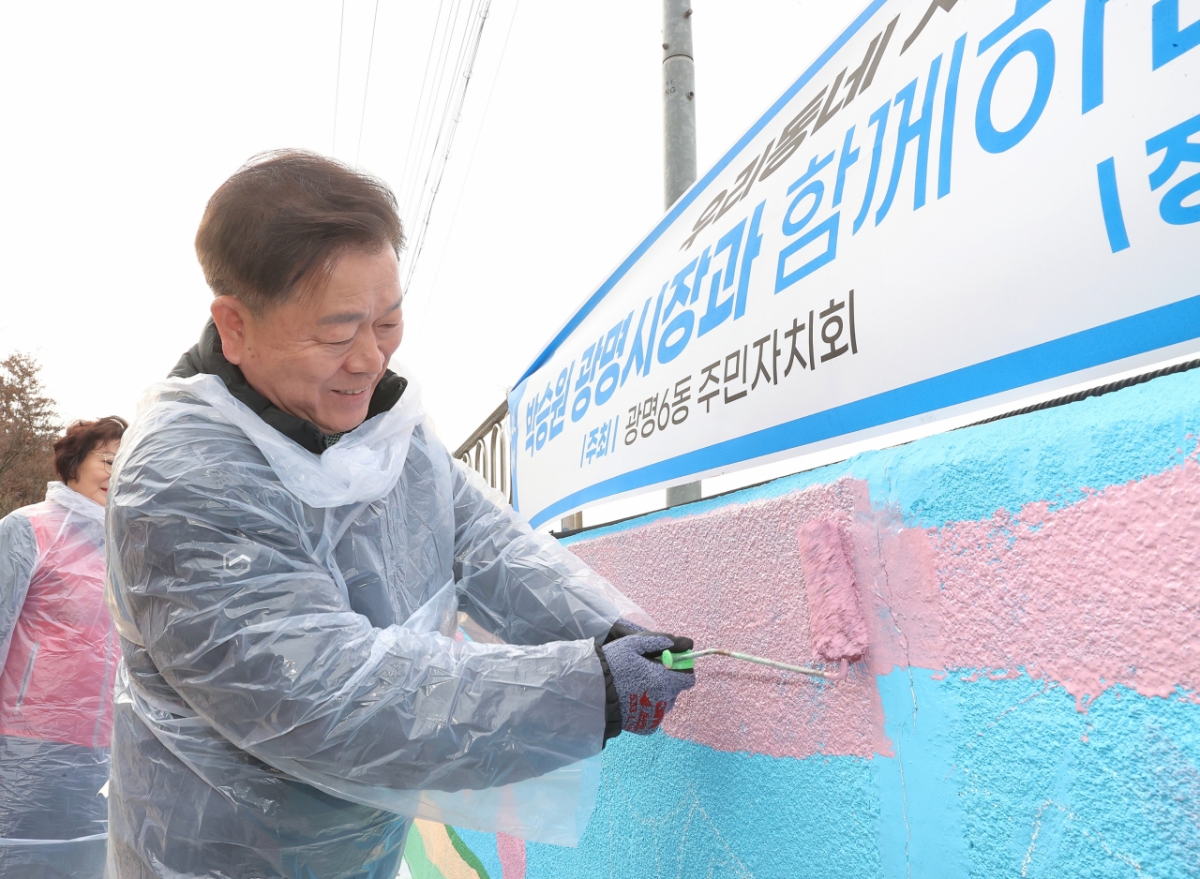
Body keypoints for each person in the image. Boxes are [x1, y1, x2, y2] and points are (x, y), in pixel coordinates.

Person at [104, 150, 696, 879]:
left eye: (388, 320)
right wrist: (584, 688)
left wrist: (607, 626)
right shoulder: (180, 478)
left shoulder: (381, 424)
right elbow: (322, 692)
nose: (370, 359)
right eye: (337, 330)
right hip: (220, 856)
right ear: (234, 325)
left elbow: (482, 540)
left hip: (361, 848)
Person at [0, 416, 127, 878]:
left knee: (87, 861)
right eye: (108, 459)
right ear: (73, 462)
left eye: (128, 463)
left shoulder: (128, 548)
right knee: (19, 858)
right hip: (24, 739)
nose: (118, 473)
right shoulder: (26, 528)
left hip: (106, 745)